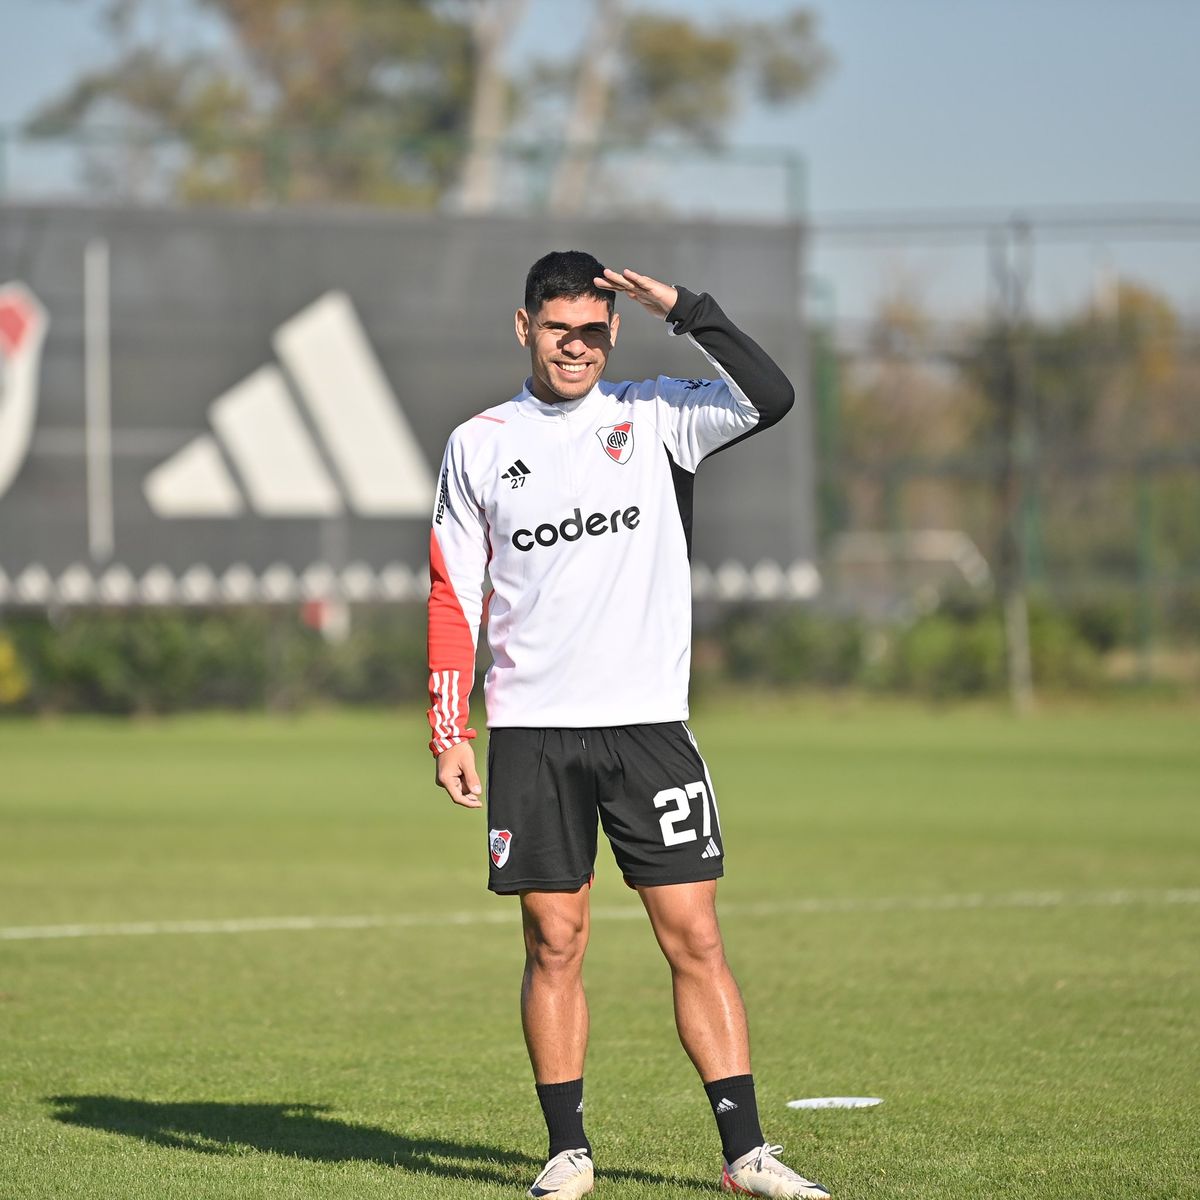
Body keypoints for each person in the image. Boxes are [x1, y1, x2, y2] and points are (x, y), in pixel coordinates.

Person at [427, 249, 830, 1200]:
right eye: (561, 329)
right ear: (524, 327)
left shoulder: (656, 414)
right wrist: (449, 728)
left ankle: (747, 1156)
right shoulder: (479, 442)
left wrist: (687, 308)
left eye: (596, 332)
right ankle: (567, 1152)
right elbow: (455, 594)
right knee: (554, 943)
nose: (580, 347)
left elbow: (770, 397)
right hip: (531, 732)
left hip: (649, 727)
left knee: (694, 937)